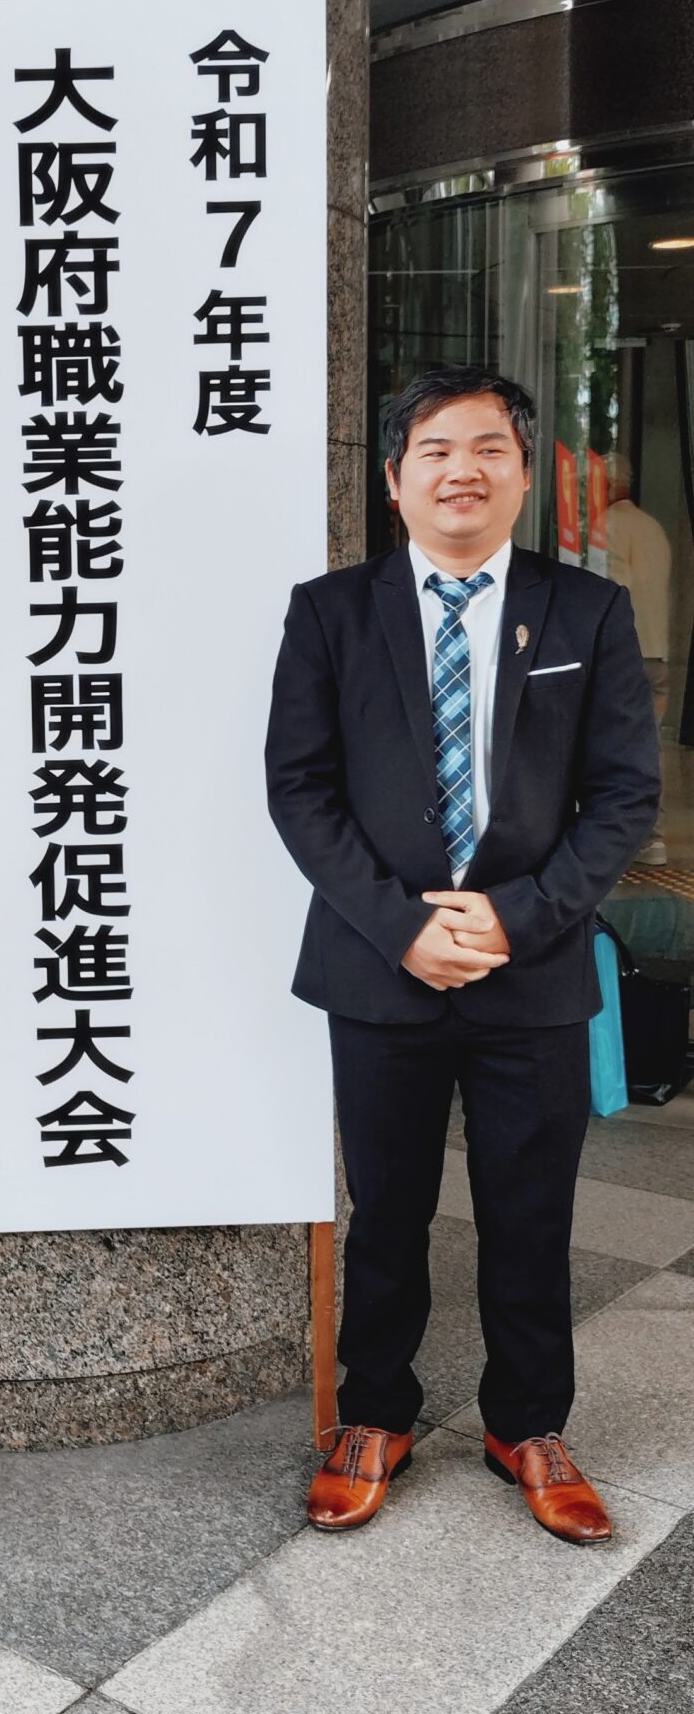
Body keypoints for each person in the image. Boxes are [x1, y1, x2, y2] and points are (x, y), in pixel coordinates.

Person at [266, 366, 659, 1544]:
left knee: (530, 1214)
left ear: (525, 476)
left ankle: (526, 1425)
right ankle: (372, 1414)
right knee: (386, 1210)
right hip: (377, 965)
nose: (462, 471)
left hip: (530, 967)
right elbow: (300, 790)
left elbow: (623, 795)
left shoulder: (584, 611)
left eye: (489, 449)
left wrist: (518, 916)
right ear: (394, 481)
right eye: (435, 451)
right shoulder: (330, 612)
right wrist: (402, 925)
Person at [605, 449, 672, 865]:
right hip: (657, 649)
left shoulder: (609, 525)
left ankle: (620, 840)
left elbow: (613, 587)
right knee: (652, 746)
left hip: (625, 652)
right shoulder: (653, 527)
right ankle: (654, 838)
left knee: (614, 749)